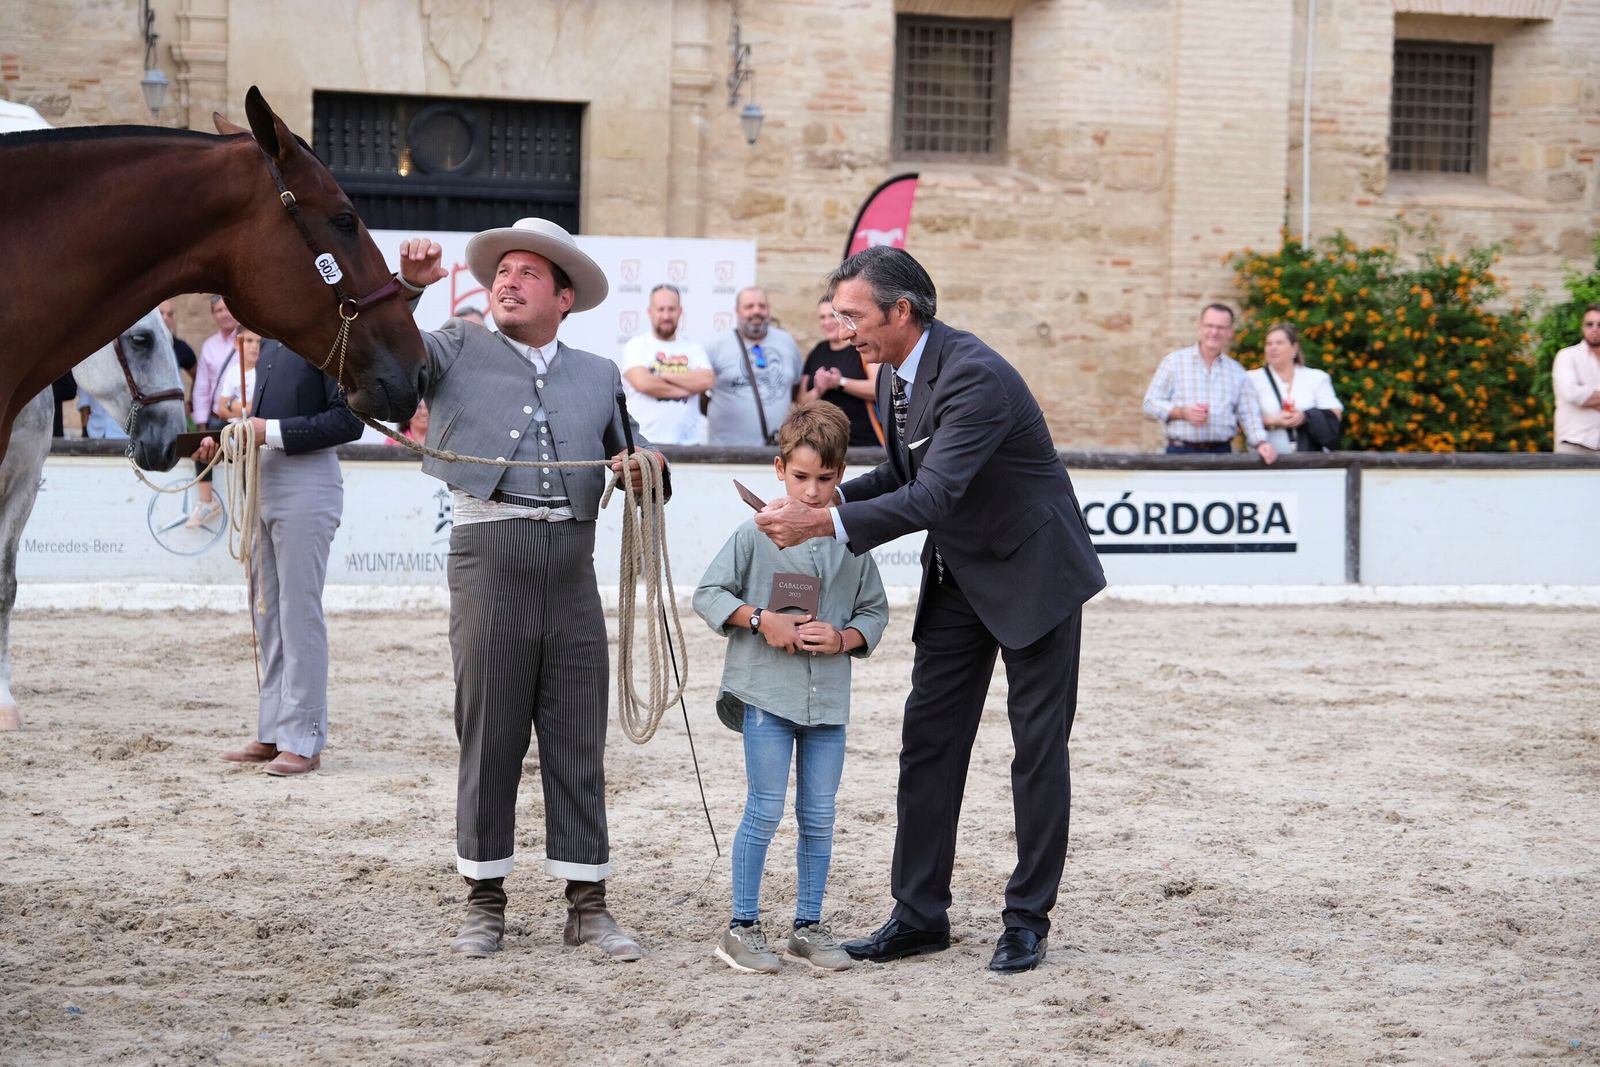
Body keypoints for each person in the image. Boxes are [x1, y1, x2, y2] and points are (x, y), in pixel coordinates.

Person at [753, 246, 1106, 974]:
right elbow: (905, 473)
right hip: (957, 576)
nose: (842, 328)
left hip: (1034, 575)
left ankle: (1026, 920)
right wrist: (825, 497)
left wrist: (820, 524)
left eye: (853, 314)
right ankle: (919, 915)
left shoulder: (974, 375)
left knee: (1037, 752)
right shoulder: (891, 377)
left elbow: (932, 495)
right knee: (928, 741)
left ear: (901, 311)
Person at [395, 217, 664, 963]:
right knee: (491, 737)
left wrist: (646, 470)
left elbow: (632, 458)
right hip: (489, 555)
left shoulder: (599, 373)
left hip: (574, 568)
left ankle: (588, 905)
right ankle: (484, 902)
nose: (507, 281)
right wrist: (412, 290)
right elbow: (381, 367)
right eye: (501, 270)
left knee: (580, 733)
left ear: (564, 297)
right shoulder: (452, 343)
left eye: (527, 273)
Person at [693, 401, 889, 974]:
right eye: (801, 477)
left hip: (828, 701)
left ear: (841, 476)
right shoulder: (751, 533)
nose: (811, 491)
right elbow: (709, 594)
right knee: (764, 810)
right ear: (780, 470)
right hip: (766, 696)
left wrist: (846, 637)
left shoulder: (854, 541)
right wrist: (760, 620)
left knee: (821, 817)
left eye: (825, 479)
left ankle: (808, 925)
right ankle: (742, 926)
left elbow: (875, 611)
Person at [212, 338, 363, 776]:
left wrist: (267, 431)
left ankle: (304, 737)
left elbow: (348, 420)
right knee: (269, 614)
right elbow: (260, 426)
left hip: (307, 478)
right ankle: (275, 729)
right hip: (265, 474)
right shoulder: (272, 342)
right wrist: (232, 439)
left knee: (298, 613)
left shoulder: (329, 338)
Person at [1142, 304, 1278, 463]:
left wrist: (1261, 442)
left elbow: (1249, 415)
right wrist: (1181, 412)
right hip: (1179, 453)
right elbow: (1149, 404)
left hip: (1222, 453)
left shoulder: (1237, 372)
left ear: (1230, 332)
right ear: (1200, 327)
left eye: (1221, 327)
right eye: (1209, 326)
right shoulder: (1173, 362)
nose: (1214, 332)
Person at [705, 287, 804, 446]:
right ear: (737, 311)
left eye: (762, 306)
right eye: (749, 306)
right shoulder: (716, 346)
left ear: (768, 309)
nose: (756, 311)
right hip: (726, 454)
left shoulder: (787, 342)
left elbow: (795, 390)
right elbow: (702, 397)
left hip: (780, 449)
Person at [620, 284, 714, 444]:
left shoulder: (694, 348)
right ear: (650, 312)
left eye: (671, 309)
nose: (666, 315)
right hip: (644, 443)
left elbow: (706, 380)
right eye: (660, 309)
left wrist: (661, 374)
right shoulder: (636, 345)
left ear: (680, 311)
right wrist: (689, 387)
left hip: (688, 444)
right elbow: (643, 383)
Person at [1246, 323, 1342, 453]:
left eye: (1279, 343)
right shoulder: (1251, 379)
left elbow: (1335, 415)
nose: (1273, 348)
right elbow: (1243, 417)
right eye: (1268, 344)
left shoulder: (1317, 378)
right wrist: (1274, 421)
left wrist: (1305, 417)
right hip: (1266, 460)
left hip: (1310, 461)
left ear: (1294, 348)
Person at [186, 295, 238, 528]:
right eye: (217, 310)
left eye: (227, 308)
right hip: (218, 419)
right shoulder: (209, 345)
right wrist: (200, 423)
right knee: (201, 443)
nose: (224, 314)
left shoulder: (250, 340)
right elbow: (202, 389)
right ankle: (206, 501)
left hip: (247, 417)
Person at [803, 298, 882, 447]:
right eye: (822, 317)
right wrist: (819, 390)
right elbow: (801, 402)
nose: (827, 322)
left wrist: (840, 382)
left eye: (832, 316)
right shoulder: (816, 352)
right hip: (825, 444)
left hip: (865, 443)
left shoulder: (861, 346)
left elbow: (878, 388)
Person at [1551, 303, 1600, 455]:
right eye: (1589, 324)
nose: (1595, 329)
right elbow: (1572, 394)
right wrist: (1583, 396)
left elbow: (1581, 395)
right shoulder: (1567, 356)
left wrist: (1589, 397)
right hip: (1573, 444)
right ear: (1582, 327)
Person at [212, 328, 263, 424]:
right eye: (249, 340)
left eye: (259, 342)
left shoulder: (263, 372)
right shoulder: (233, 372)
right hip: (235, 431)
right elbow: (221, 410)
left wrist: (230, 404)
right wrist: (243, 420)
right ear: (236, 343)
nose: (255, 346)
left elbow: (252, 410)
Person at [158, 300, 198, 397]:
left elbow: (199, 376)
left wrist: (191, 403)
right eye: (160, 313)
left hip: (171, 407)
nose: (165, 318)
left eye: (170, 314)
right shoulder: (139, 344)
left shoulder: (180, 347)